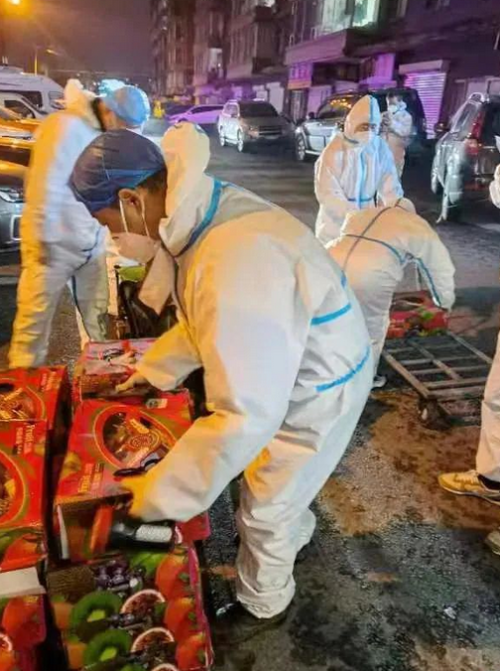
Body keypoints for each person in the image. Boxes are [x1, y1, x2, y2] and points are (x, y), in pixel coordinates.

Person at [70, 123, 373, 644]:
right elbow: (204, 324)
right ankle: (291, 533)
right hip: (303, 355)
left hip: (320, 383)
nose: (114, 239)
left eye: (109, 224)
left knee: (265, 506)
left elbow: (244, 416)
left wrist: (155, 499)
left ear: (130, 200)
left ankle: (264, 605)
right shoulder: (199, 216)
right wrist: (151, 374)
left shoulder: (232, 255)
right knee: (279, 487)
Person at [8, 83, 151, 368]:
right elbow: (44, 186)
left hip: (89, 243)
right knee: (33, 323)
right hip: (53, 245)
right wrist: (45, 239)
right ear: (110, 112)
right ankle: (24, 383)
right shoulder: (64, 128)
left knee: (99, 320)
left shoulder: (103, 133)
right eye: (123, 127)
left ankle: (102, 376)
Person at [328, 199, 456, 387]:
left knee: (329, 318)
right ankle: (363, 382)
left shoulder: (364, 213)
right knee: (371, 327)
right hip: (370, 272)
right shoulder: (415, 224)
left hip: (329, 260)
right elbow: (438, 267)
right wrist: (444, 302)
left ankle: (323, 369)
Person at [314, 95, 403, 246]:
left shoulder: (379, 149)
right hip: (335, 226)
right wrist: (352, 216)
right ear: (353, 123)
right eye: (364, 126)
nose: (369, 131)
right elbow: (328, 192)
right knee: (333, 256)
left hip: (367, 220)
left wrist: (395, 211)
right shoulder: (335, 151)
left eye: (373, 127)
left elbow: (390, 184)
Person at [380, 91, 413, 178]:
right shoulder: (384, 115)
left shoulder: (406, 116)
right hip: (382, 151)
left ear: (400, 102)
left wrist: (392, 124)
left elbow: (405, 132)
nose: (390, 106)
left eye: (393, 103)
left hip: (396, 152)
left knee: (394, 175)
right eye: (389, 103)